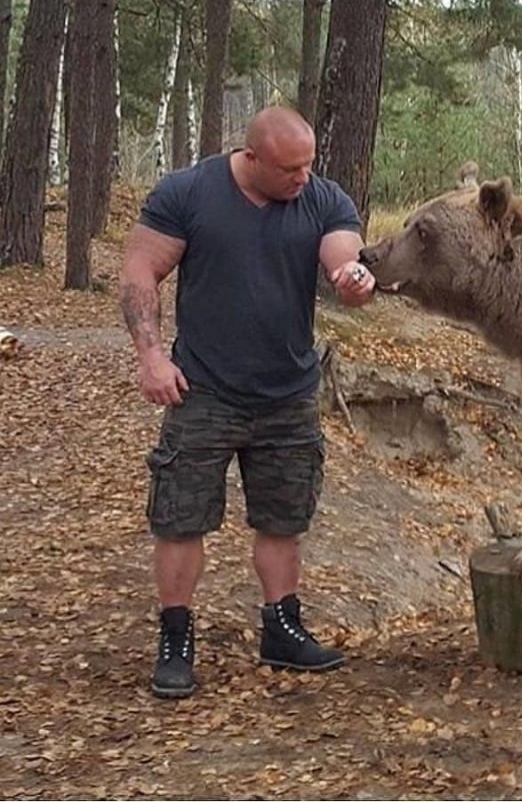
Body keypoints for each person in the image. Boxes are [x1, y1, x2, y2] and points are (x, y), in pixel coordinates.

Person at [119, 105, 376, 699]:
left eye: (309, 165)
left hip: (287, 393)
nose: (302, 178)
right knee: (181, 518)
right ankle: (176, 638)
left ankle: (282, 629)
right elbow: (139, 271)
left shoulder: (322, 197)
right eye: (289, 168)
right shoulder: (188, 192)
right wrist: (151, 356)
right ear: (251, 157)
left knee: (283, 518)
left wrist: (351, 280)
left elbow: (343, 257)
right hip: (203, 389)